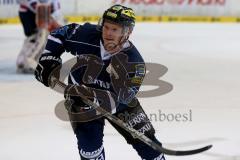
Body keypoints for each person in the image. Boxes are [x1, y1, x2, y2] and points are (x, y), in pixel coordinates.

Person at [34, 4, 166, 160]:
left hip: (117, 103)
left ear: (128, 32)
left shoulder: (135, 64)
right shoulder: (88, 35)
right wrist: (49, 57)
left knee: (149, 146)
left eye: (114, 29)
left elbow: (124, 99)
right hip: (80, 99)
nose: (108, 33)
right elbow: (59, 34)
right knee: (90, 149)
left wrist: (94, 97)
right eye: (106, 27)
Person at [16, 0, 63, 73]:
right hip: (29, 13)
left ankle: (24, 61)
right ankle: (28, 61)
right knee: (37, 36)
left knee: (41, 36)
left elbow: (56, 11)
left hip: (37, 13)